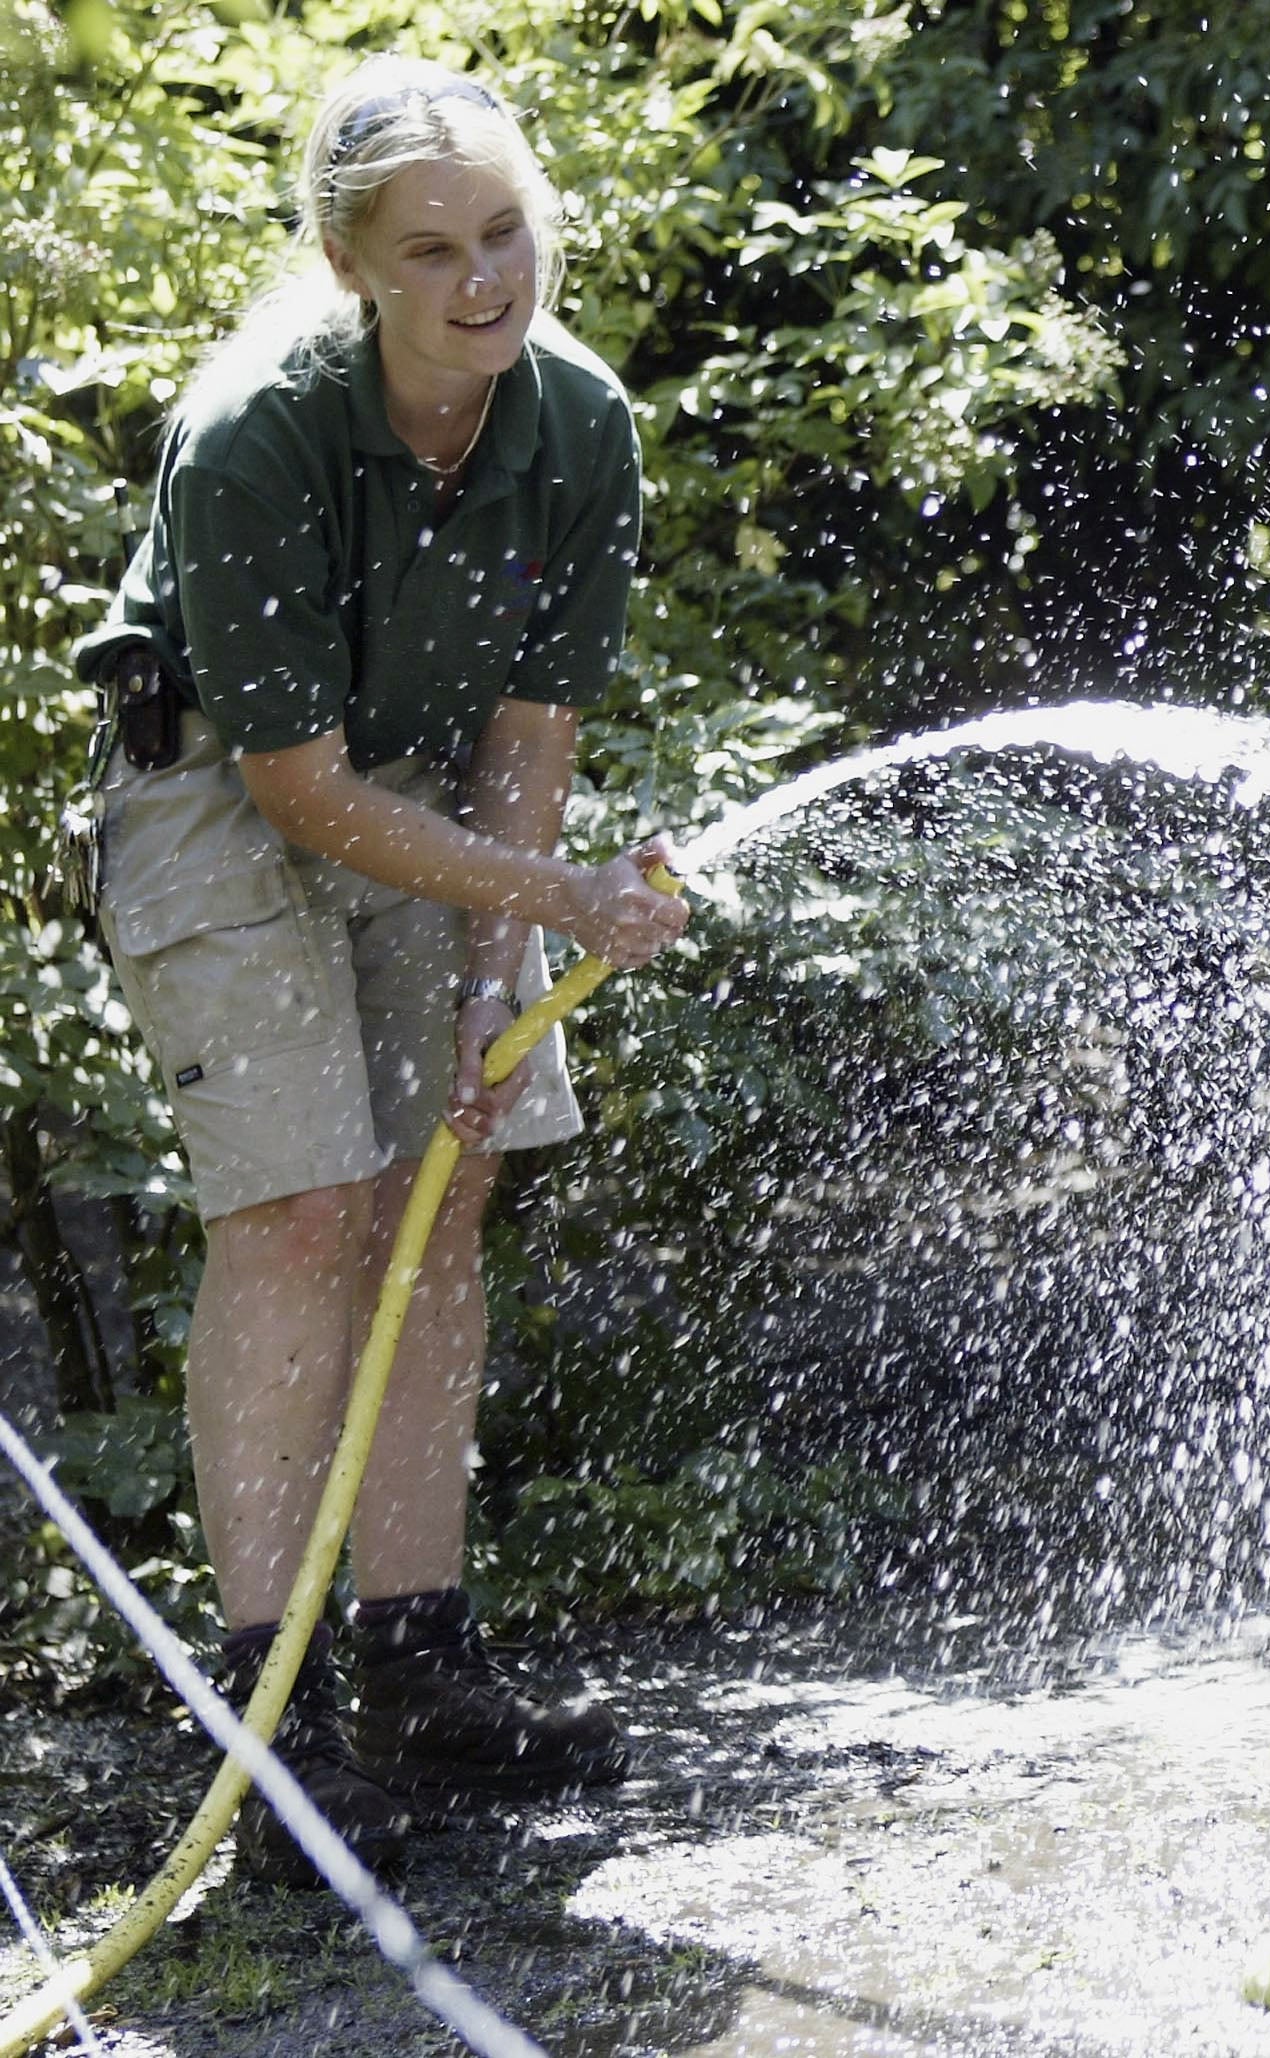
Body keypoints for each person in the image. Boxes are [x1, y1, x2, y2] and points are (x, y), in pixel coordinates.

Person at [72, 56, 689, 1885]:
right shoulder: (262, 424)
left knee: (444, 1186)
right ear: (350, 265)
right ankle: (263, 1730)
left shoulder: (575, 424)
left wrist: (499, 979)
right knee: (301, 1213)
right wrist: (563, 899)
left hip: (430, 800)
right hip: (219, 791)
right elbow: (295, 786)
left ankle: (421, 1670)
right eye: (431, 250)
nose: (483, 277)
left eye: (506, 230)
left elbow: (526, 736)